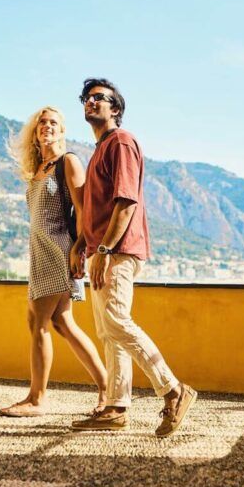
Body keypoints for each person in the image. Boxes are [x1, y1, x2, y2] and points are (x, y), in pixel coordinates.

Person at [70, 78, 197, 437]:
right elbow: (98, 208)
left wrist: (106, 250)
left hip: (118, 251)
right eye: (86, 98)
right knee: (108, 331)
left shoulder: (122, 142)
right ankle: (116, 406)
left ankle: (173, 389)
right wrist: (83, 243)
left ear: (116, 109)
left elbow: (126, 202)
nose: (90, 102)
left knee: (115, 321)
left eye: (99, 98)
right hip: (101, 250)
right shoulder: (100, 149)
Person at [0, 106, 108, 417]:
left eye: (54, 123)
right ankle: (106, 387)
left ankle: (37, 399)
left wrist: (80, 250)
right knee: (62, 323)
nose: (47, 126)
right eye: (42, 123)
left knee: (38, 323)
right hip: (40, 251)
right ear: (35, 132)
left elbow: (83, 210)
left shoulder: (68, 163)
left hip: (60, 250)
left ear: (62, 130)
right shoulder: (39, 169)